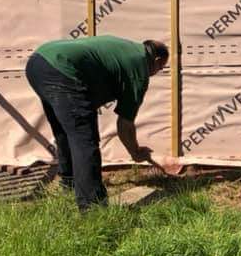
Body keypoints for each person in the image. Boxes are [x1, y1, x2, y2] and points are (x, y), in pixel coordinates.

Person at [25, 35, 169, 210]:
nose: (156, 73)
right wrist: (135, 152)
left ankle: (69, 184)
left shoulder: (127, 47)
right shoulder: (139, 66)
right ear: (156, 59)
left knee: (64, 130)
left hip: (38, 62)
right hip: (63, 69)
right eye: (160, 68)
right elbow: (125, 125)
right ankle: (92, 207)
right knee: (84, 139)